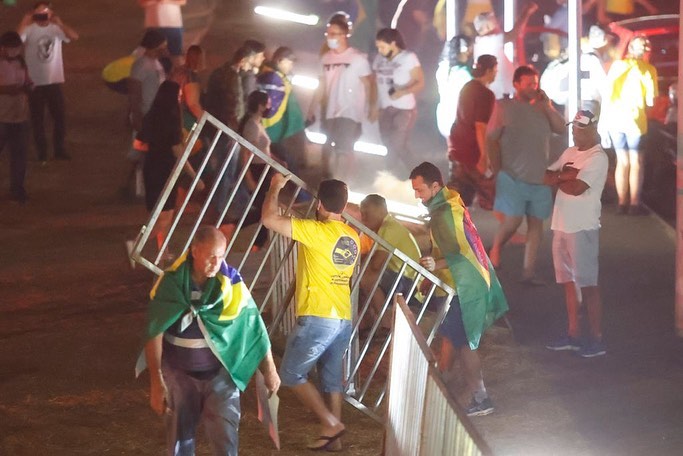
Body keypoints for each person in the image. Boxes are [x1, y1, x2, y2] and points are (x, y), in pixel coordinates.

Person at [137, 225, 280, 455]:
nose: (216, 263)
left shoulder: (231, 283)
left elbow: (254, 324)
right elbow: (155, 330)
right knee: (179, 443)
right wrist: (156, 382)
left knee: (226, 439)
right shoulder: (170, 284)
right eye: (211, 256)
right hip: (179, 374)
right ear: (195, 251)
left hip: (220, 374)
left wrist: (270, 369)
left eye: (221, 256)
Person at [262, 176, 360, 451]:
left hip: (318, 315)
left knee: (291, 373)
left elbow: (269, 219)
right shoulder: (351, 236)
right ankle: (335, 439)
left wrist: (275, 188)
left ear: (319, 204)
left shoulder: (315, 232)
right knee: (330, 376)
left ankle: (330, 423)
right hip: (342, 316)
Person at [409, 161, 507, 416]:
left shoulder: (444, 212)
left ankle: (481, 398)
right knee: (453, 337)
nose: (416, 195)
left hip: (466, 287)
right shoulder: (449, 203)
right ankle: (444, 383)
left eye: (419, 190)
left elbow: (460, 253)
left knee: (465, 343)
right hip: (464, 283)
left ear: (435, 185)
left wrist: (434, 264)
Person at [486, 65, 566, 283]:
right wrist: (495, 167)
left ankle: (528, 271)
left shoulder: (543, 109)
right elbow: (491, 138)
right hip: (513, 175)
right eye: (528, 84)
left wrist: (548, 106)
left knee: (536, 224)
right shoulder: (504, 107)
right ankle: (495, 250)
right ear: (516, 84)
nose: (533, 88)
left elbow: (561, 128)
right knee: (512, 221)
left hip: (540, 175)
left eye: (535, 84)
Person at [544, 110, 608, 358]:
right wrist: (565, 175)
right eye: (573, 127)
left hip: (582, 228)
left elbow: (577, 188)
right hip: (561, 225)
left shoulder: (597, 158)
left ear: (592, 129)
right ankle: (574, 334)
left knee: (589, 285)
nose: (574, 131)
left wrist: (561, 177)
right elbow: (545, 176)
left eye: (579, 128)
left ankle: (597, 338)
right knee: (568, 282)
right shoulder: (570, 153)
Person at [136, 80, 203, 256]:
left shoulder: (151, 116)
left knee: (163, 214)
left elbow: (138, 144)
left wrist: (155, 147)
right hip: (165, 170)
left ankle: (163, 252)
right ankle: (137, 244)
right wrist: (194, 177)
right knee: (165, 217)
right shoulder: (172, 118)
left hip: (151, 167)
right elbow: (177, 150)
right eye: (179, 94)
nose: (180, 97)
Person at [308, 11, 375, 180]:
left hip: (350, 112)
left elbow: (368, 85)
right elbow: (321, 86)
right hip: (330, 111)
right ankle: (330, 182)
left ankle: (339, 184)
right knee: (328, 149)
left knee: (342, 150)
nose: (330, 37)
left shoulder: (358, 59)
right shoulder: (325, 59)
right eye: (328, 34)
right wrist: (312, 109)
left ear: (344, 35)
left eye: (333, 34)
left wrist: (371, 108)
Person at [601, 36, 658, 216]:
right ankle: (634, 203)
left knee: (622, 161)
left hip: (615, 120)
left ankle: (621, 202)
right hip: (635, 121)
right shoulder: (648, 70)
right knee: (636, 162)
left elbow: (607, 93)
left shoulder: (617, 66)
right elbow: (650, 101)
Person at [17, 1, 78, 162]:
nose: (42, 17)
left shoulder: (55, 29)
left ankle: (59, 149)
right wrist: (25, 20)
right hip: (34, 83)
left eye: (45, 13)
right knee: (37, 120)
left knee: (59, 117)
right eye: (39, 14)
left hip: (53, 81)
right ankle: (42, 153)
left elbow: (73, 36)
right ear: (33, 14)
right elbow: (17, 40)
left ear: (51, 14)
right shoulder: (29, 30)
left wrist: (60, 23)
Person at [358, 194, 421, 330]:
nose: (363, 217)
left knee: (367, 276)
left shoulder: (389, 228)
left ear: (381, 210)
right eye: (362, 213)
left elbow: (375, 265)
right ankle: (367, 323)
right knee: (361, 274)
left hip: (409, 282)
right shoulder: (385, 227)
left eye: (367, 212)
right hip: (404, 277)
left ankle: (386, 324)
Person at [121, 29, 167, 200]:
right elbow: (134, 93)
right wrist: (136, 116)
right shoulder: (141, 65)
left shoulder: (156, 64)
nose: (165, 48)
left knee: (144, 153)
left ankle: (132, 187)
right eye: (163, 44)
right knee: (140, 152)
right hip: (146, 116)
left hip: (154, 116)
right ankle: (134, 188)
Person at [447, 54, 497, 210]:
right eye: (495, 70)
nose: (496, 73)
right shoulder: (485, 94)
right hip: (472, 151)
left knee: (457, 195)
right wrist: (484, 156)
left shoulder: (467, 87)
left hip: (459, 146)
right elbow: (481, 126)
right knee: (492, 197)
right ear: (489, 71)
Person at [372, 28, 424, 173]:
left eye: (382, 46)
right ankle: (404, 173)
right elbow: (375, 83)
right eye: (378, 47)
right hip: (384, 108)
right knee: (389, 144)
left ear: (393, 43)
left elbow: (420, 82)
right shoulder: (379, 59)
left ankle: (399, 173)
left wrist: (402, 92)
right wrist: (373, 105)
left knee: (396, 143)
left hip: (404, 109)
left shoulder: (408, 58)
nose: (380, 50)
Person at [257, 46, 306, 176]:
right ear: (280, 60)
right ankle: (299, 193)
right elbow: (270, 105)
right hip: (271, 128)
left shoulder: (276, 76)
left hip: (275, 128)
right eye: (289, 62)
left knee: (279, 159)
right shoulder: (273, 77)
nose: (291, 65)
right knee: (284, 160)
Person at [472, 3, 537, 99]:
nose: (498, 25)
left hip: (501, 92)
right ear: (487, 27)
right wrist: (527, 12)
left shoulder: (480, 43)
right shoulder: (490, 40)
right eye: (494, 22)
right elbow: (514, 34)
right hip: (503, 93)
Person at [0, 31, 31, 203]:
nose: (14, 51)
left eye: (16, 47)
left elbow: (28, 81)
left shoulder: (21, 63)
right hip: (2, 118)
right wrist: (7, 90)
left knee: (19, 157)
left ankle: (17, 189)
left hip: (20, 117)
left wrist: (28, 87)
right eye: (11, 48)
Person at [436, 34, 472, 139]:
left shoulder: (442, 69)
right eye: (468, 50)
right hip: (458, 121)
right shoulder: (463, 74)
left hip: (443, 118)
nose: (469, 53)